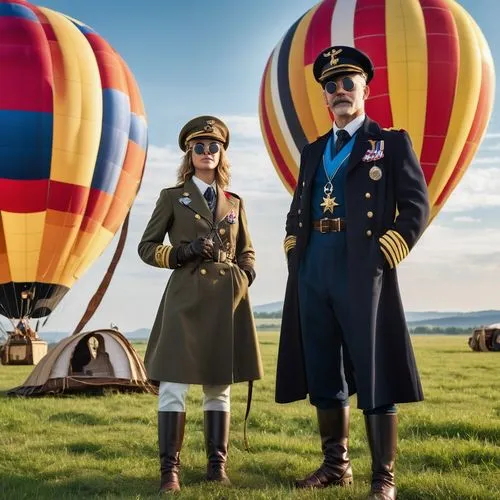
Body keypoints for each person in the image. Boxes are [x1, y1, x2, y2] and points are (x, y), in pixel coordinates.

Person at [276, 46, 429, 499]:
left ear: (366, 88)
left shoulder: (390, 142)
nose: (340, 91)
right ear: (324, 97)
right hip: (314, 265)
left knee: (374, 366)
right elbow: (296, 207)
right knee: (323, 366)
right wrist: (293, 249)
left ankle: (383, 477)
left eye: (348, 83)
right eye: (331, 85)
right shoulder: (313, 150)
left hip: (364, 267)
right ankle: (335, 465)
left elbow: (416, 205)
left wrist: (388, 250)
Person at [138, 115, 263, 493]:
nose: (207, 152)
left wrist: (244, 276)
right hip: (185, 299)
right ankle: (169, 472)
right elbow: (146, 248)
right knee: (173, 384)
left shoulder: (235, 202)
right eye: (199, 147)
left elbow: (248, 251)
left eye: (214, 146)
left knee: (218, 387)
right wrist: (182, 252)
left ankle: (216, 467)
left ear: (222, 153)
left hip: (227, 301)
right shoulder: (172, 198)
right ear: (189, 154)